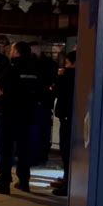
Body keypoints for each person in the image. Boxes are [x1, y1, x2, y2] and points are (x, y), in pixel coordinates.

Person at [0, 42, 40, 194]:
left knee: (6, 149)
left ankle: (4, 182)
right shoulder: (35, 69)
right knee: (24, 149)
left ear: (16, 52)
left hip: (10, 114)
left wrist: (1, 92)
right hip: (28, 114)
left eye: (11, 50)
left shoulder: (12, 68)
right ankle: (24, 181)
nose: (9, 52)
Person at [29, 41, 58, 165]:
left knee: (40, 129)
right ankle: (38, 154)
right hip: (40, 101)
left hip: (42, 100)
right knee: (40, 129)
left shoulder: (44, 64)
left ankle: (40, 155)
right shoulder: (47, 63)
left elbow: (47, 80)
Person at [51, 51, 76, 196]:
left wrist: (60, 77)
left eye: (66, 63)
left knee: (66, 151)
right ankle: (67, 180)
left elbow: (58, 92)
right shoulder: (83, 76)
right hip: (73, 117)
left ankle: (67, 183)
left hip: (66, 117)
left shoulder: (67, 76)